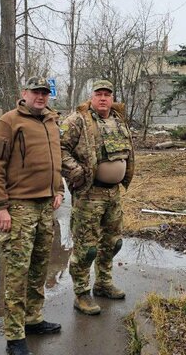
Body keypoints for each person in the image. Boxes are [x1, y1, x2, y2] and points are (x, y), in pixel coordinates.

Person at [0, 77, 64, 355]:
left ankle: (33, 319)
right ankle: (14, 336)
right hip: (19, 206)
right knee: (17, 271)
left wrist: (58, 189)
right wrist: (1, 207)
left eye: (45, 92)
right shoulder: (9, 122)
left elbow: (57, 160)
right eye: (36, 92)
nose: (41, 97)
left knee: (40, 266)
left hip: (46, 205)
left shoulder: (52, 121)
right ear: (24, 93)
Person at [60, 79, 135, 315]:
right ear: (91, 96)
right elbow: (59, 148)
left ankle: (103, 283)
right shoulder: (77, 120)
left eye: (107, 94)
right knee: (86, 247)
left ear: (112, 98)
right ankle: (81, 294)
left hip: (113, 194)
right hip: (90, 194)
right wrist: (76, 171)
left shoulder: (118, 119)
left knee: (112, 243)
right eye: (99, 94)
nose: (103, 98)